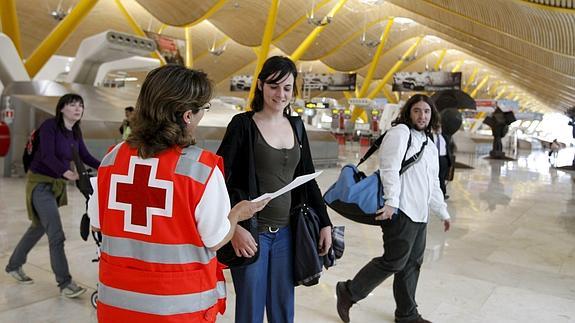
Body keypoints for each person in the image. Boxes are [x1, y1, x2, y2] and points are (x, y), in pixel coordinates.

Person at [88, 65, 267, 322]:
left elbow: (97, 224)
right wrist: (238, 213)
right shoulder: (200, 169)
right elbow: (216, 239)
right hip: (179, 310)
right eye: (203, 109)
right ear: (186, 116)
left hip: (118, 305)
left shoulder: (111, 159)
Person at [217, 56, 333, 323]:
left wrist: (324, 222)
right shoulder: (243, 125)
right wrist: (234, 227)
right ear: (260, 85)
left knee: (283, 308)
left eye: (287, 88)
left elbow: (307, 179)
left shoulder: (297, 126)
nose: (281, 94)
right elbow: (220, 179)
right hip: (252, 233)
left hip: (286, 233)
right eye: (274, 86)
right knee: (250, 310)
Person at [336, 94, 451, 323]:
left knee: (412, 264)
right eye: (417, 110)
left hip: (420, 214)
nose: (422, 116)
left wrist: (443, 211)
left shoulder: (429, 143)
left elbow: (433, 182)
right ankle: (349, 292)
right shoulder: (400, 133)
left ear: (432, 115)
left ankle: (407, 314)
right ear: (409, 112)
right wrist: (391, 203)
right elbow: (388, 169)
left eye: (426, 111)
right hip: (401, 210)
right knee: (394, 261)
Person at [5, 93, 100, 298]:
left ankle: (14, 265)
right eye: (72, 104)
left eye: (80, 105)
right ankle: (65, 283)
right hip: (40, 184)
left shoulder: (74, 131)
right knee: (56, 234)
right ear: (61, 109)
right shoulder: (50, 126)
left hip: (55, 186)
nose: (78, 108)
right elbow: (47, 155)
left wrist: (109, 166)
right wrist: (67, 173)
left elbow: (84, 156)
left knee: (38, 227)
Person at [432, 125, 452, 199]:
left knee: (442, 177)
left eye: (439, 128)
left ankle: (442, 194)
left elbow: (448, 148)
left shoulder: (444, 137)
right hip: (434, 158)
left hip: (443, 159)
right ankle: (434, 195)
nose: (438, 129)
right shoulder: (430, 136)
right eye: (436, 128)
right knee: (435, 177)